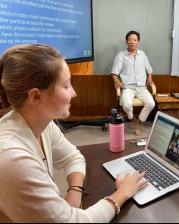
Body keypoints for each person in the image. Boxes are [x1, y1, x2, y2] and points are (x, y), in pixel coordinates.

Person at [0, 44, 148, 222]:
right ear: (36, 96)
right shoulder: (13, 159)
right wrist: (122, 193)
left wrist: (74, 190)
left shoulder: (42, 125)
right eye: (66, 85)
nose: (74, 93)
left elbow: (73, 157)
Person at [111, 30, 155, 137]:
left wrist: (149, 78)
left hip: (142, 88)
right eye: (130, 40)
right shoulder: (121, 56)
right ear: (127, 41)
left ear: (138, 42)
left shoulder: (143, 55)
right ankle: (133, 120)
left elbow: (149, 70)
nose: (132, 42)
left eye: (135, 40)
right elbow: (114, 73)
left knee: (151, 103)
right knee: (126, 105)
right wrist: (117, 81)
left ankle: (139, 122)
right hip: (128, 88)